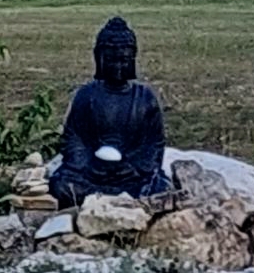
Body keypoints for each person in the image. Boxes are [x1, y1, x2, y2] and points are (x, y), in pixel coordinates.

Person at [48, 16, 170, 206]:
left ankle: (120, 199)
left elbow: (154, 143)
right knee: (61, 185)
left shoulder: (145, 97)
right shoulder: (87, 95)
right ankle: (115, 200)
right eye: (111, 60)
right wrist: (89, 164)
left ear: (132, 59)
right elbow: (73, 137)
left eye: (124, 60)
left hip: (131, 175)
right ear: (99, 58)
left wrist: (133, 167)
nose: (118, 67)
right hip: (91, 173)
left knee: (159, 187)